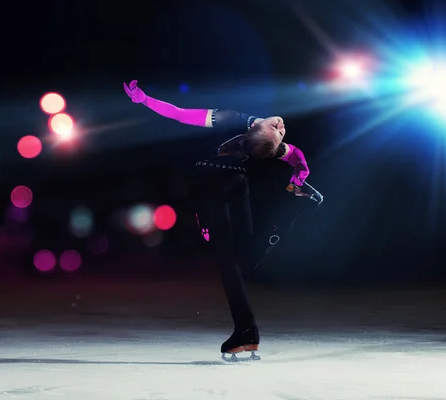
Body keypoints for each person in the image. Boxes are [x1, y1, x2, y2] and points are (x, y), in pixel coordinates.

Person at [123, 80, 311, 361]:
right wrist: (144, 100)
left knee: (244, 259)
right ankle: (246, 330)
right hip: (211, 189)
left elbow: (293, 154)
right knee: (231, 263)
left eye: (280, 130)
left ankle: (247, 330)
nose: (281, 126)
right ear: (252, 128)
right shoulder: (229, 119)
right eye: (276, 128)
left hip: (231, 187)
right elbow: (179, 113)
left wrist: (302, 169)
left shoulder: (264, 141)